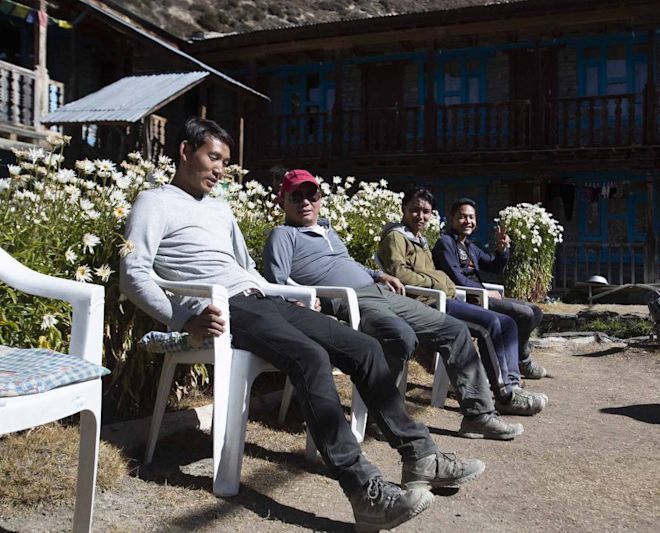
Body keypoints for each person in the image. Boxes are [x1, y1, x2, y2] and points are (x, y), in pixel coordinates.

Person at [120, 118, 485, 531]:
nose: (220, 170)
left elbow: (247, 268)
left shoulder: (220, 209)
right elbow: (133, 273)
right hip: (223, 309)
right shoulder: (154, 202)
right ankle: (364, 490)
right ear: (186, 152)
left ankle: (420, 456)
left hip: (260, 299)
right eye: (213, 158)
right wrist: (184, 318)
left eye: (225, 161)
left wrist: (286, 294)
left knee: (363, 348)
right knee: (310, 357)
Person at [262, 169, 524, 441]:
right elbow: (276, 281)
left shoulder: (328, 230)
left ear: (320, 199)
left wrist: (378, 274)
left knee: (454, 330)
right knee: (399, 336)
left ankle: (479, 415)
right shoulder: (283, 235)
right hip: (350, 301)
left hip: (380, 291)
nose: (305, 201)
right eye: (297, 196)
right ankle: (383, 415)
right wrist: (300, 299)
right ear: (284, 201)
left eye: (311, 194)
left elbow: (347, 263)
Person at [377, 187, 547, 417]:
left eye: (426, 211)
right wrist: (438, 281)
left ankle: (512, 384)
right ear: (403, 210)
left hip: (445, 297)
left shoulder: (422, 239)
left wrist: (502, 251)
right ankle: (504, 395)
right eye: (414, 210)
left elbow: (487, 266)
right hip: (425, 304)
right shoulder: (397, 237)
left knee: (506, 322)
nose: (421, 216)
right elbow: (399, 273)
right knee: (490, 325)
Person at [433, 197, 547, 379]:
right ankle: (520, 363)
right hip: (468, 300)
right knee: (524, 313)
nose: (468, 221)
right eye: (462, 217)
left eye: (471, 217)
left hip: (482, 296)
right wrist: (484, 293)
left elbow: (494, 267)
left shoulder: (469, 246)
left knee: (536, 311)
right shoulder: (445, 243)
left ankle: (521, 358)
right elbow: (456, 278)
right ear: (452, 218)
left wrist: (502, 251)